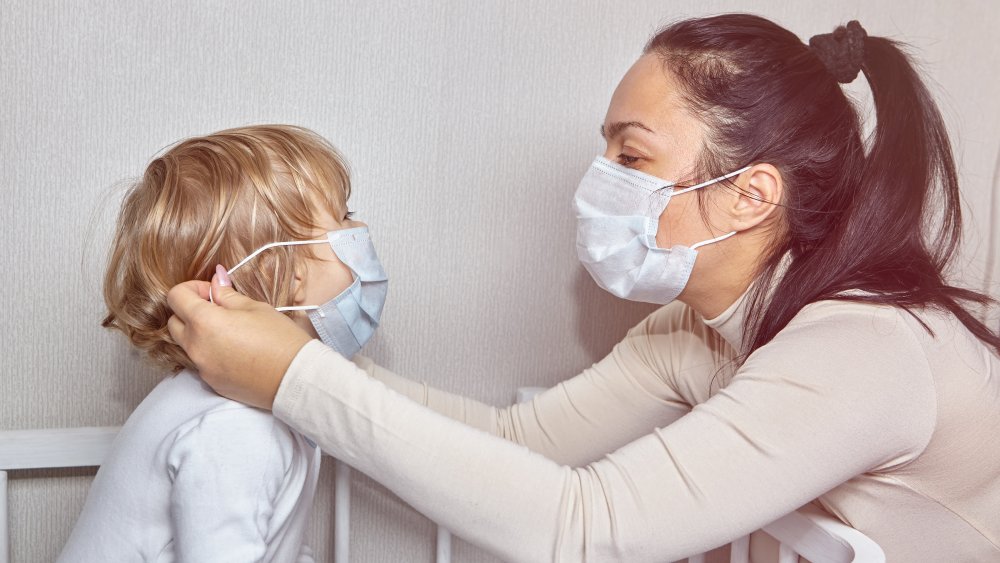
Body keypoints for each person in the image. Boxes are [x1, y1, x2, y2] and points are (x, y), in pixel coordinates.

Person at [166, 15, 1000, 562]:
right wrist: (301, 353)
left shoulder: (862, 346)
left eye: (631, 157)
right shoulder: (699, 330)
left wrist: (293, 378)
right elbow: (521, 440)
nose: (597, 182)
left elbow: (585, 526)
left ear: (752, 194)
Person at [61, 125, 388, 562]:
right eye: (345, 218)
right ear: (288, 274)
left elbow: (272, 544)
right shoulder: (238, 428)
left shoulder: (250, 407)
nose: (360, 226)